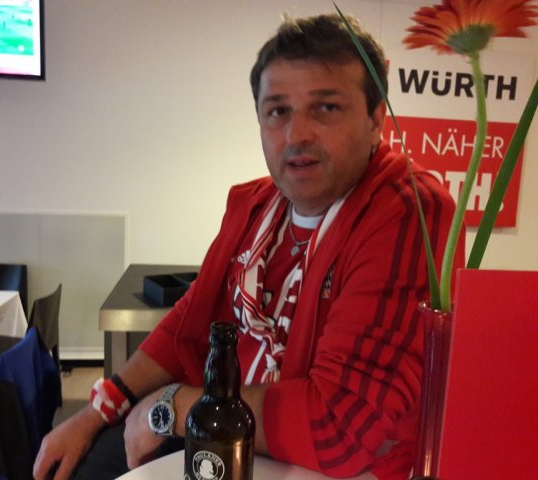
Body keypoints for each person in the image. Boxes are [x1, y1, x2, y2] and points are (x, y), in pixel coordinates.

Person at [34, 13, 465, 480]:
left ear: (376, 117)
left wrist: (172, 406)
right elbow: (188, 322)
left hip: (322, 466)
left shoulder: (408, 212)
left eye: (326, 107)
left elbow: (337, 426)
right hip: (222, 429)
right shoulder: (257, 205)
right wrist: (96, 411)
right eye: (278, 111)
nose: (296, 134)